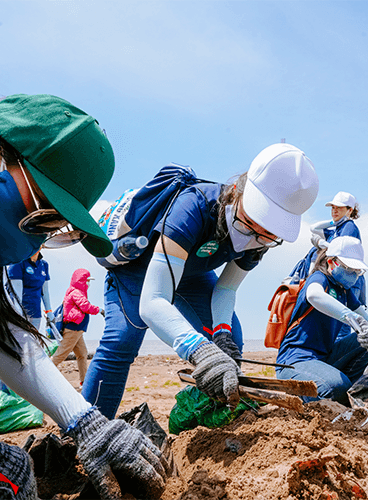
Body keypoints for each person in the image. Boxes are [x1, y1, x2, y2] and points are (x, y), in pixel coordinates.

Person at [0, 94, 169, 500]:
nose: (38, 235)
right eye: (42, 213)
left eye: (54, 226)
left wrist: (84, 421)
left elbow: (5, 329)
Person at [82, 143, 319, 418]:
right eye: (250, 223)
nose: (254, 237)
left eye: (267, 234)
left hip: (191, 274)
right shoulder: (193, 206)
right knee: (123, 340)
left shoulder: (260, 238)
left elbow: (227, 287)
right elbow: (153, 302)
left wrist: (220, 332)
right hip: (140, 269)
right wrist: (197, 349)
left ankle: (208, 419)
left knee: (231, 339)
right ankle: (89, 428)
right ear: (237, 193)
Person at [276, 236, 368, 406]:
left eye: (357, 271)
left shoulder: (343, 291)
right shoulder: (319, 278)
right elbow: (314, 295)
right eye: (349, 268)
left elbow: (366, 317)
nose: (353, 275)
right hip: (296, 360)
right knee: (335, 388)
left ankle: (340, 386)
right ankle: (324, 390)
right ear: (331, 262)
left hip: (324, 358)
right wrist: (352, 318)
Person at [0, 249, 54, 394]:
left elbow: (45, 292)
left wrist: (50, 313)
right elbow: (16, 294)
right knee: (13, 350)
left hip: (35, 315)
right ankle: (4, 391)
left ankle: (23, 389)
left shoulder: (44, 265)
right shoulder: (18, 263)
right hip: (16, 314)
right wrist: (20, 318)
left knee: (28, 352)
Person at [52, 268, 104, 385]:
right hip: (73, 329)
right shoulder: (76, 293)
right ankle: (43, 376)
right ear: (82, 281)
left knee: (82, 353)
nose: (88, 283)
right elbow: (85, 306)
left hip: (77, 330)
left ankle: (84, 381)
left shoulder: (76, 292)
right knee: (60, 355)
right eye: (87, 281)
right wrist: (100, 310)